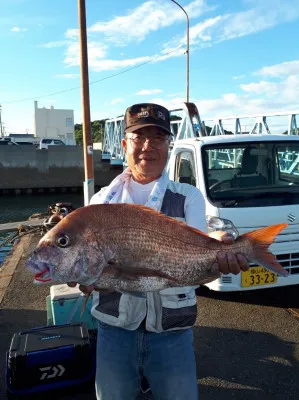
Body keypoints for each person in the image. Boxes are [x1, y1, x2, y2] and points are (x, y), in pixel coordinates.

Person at [69, 103, 249, 400]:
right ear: (125, 145)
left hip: (172, 332)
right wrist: (83, 275)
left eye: (158, 137)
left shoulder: (187, 196)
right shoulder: (101, 201)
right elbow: (88, 265)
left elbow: (199, 245)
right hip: (114, 330)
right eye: (139, 137)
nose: (147, 146)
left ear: (169, 145)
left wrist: (221, 246)